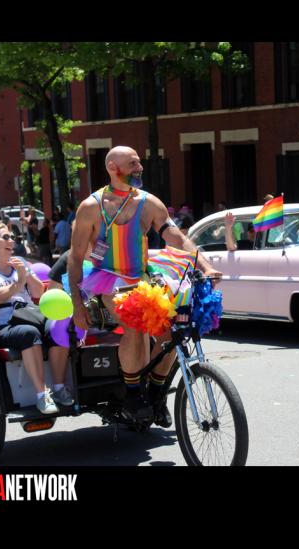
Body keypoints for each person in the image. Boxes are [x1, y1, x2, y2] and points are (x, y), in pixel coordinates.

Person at [68, 146, 222, 425]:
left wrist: (205, 266)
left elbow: (177, 238)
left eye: (139, 162)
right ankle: (133, 394)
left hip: (142, 277)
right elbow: (76, 258)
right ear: (113, 167)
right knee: (134, 323)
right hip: (107, 278)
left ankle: (156, 393)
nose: (140, 167)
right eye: (132, 163)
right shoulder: (91, 207)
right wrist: (77, 305)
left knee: (173, 330)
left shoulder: (148, 202)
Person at [0, 224, 72, 414]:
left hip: (29, 314)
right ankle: (42, 396)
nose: (12, 241)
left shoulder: (20, 262)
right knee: (28, 333)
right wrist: (17, 284)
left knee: (59, 326)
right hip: (3, 323)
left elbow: (38, 292)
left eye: (13, 238)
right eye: (6, 237)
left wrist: (25, 274)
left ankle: (59, 388)